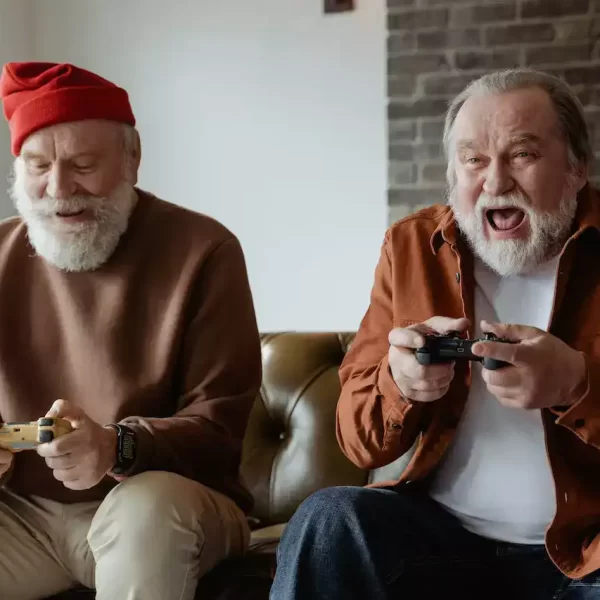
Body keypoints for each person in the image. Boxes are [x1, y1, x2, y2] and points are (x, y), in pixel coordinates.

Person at [271, 68, 600, 599]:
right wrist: (399, 385)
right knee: (331, 518)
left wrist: (577, 383)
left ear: (576, 168)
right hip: (442, 545)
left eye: (522, 154)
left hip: (589, 554)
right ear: (453, 175)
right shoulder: (411, 247)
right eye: (473, 160)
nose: (495, 182)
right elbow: (358, 441)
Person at [0, 62, 262, 600]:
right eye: (38, 165)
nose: (59, 188)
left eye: (84, 164)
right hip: (25, 519)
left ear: (133, 161)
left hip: (169, 504)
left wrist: (116, 446)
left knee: (147, 512)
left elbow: (219, 428)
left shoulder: (204, 250)